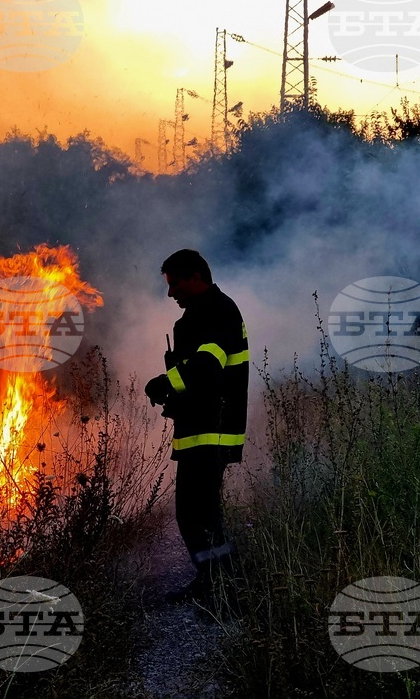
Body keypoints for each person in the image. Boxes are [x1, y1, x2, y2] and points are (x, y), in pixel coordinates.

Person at [144, 249, 249, 605]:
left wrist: (164, 383)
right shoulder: (206, 312)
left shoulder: (215, 311)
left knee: (194, 514)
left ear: (194, 276)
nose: (171, 293)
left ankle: (220, 587)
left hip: (211, 429)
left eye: (175, 284)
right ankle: (219, 583)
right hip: (203, 428)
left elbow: (207, 366)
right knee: (201, 513)